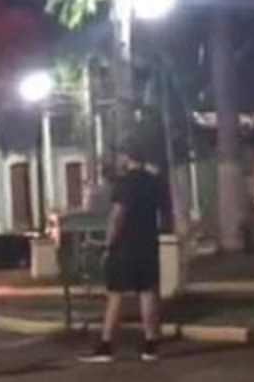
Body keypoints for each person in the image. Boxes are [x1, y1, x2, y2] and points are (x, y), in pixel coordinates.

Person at [81, 138, 166, 363]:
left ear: (127, 157)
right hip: (148, 242)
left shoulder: (124, 183)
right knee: (147, 291)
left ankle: (106, 344)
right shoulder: (154, 182)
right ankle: (151, 345)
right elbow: (163, 211)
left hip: (125, 246)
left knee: (115, 294)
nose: (119, 160)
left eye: (121, 156)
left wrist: (108, 243)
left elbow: (117, 216)